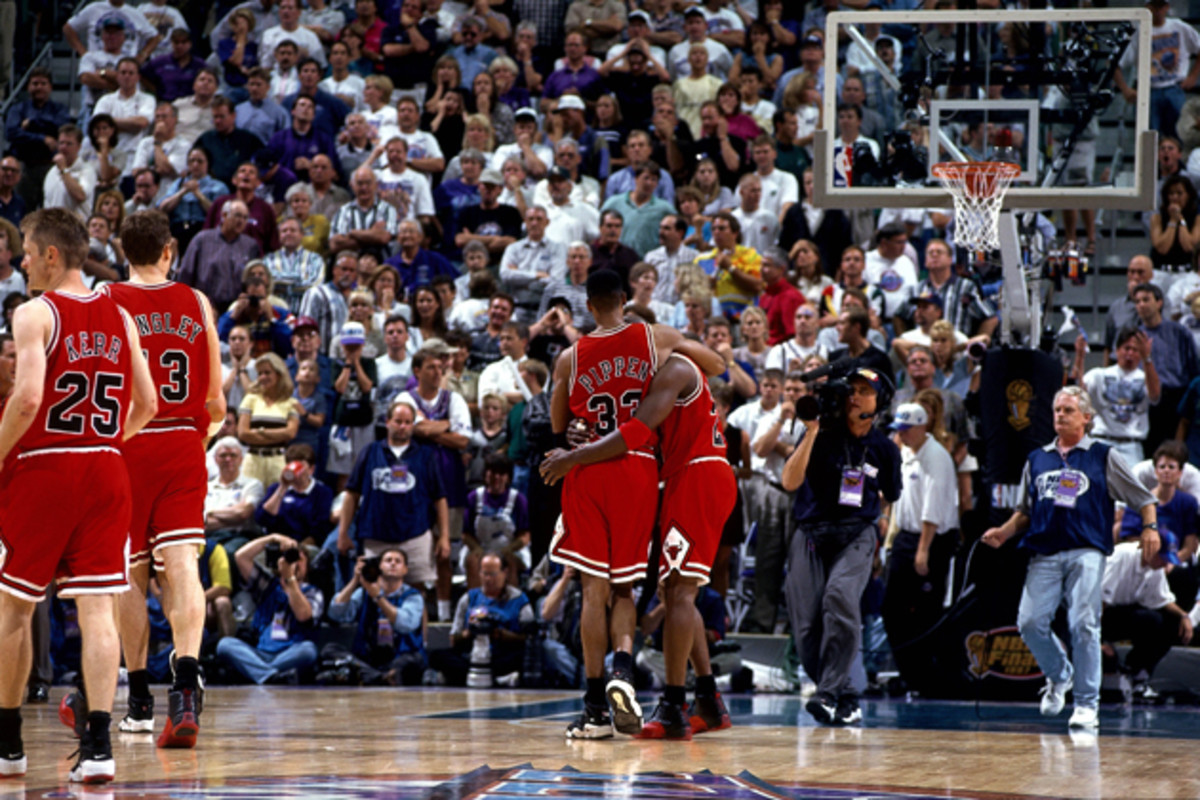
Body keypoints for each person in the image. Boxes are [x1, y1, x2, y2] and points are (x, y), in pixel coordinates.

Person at [0, 208, 156, 782]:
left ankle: (8, 742)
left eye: (27, 251)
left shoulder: (35, 312)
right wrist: (106, 442)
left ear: (50, 255)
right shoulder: (120, 315)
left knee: (15, 605)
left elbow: (27, 399)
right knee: (97, 612)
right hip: (107, 467)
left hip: (46, 467)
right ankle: (97, 748)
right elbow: (148, 406)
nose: (19, 261)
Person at [543, 269, 724, 738]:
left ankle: (595, 704)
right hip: (641, 469)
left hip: (588, 469)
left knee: (593, 590)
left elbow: (560, 423)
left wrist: (576, 443)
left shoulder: (569, 357)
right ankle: (625, 668)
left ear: (587, 305)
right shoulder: (657, 339)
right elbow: (717, 365)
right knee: (630, 590)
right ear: (625, 297)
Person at [103, 210, 224, 749]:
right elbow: (216, 403)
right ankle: (187, 685)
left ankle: (137, 700)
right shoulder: (198, 303)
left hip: (128, 442)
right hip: (182, 443)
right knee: (182, 569)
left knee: (128, 574)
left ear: (124, 251)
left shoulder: (108, 300)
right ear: (170, 251)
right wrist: (195, 442)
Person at [982, 386, 1160, 731]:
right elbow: (1024, 511)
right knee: (1030, 623)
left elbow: (1143, 497)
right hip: (1043, 551)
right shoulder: (1038, 459)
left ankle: (1086, 704)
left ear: (1086, 418)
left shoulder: (1102, 456)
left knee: (1083, 624)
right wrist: (1004, 532)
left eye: (1068, 410)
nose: (1060, 415)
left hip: (1087, 550)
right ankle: (1059, 674)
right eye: (1057, 410)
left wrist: (1150, 527)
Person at [781, 366, 901, 726]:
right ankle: (844, 696)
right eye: (852, 389)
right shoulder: (822, 433)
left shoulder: (883, 449)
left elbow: (890, 496)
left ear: (879, 402)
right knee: (804, 627)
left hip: (856, 533)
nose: (855, 395)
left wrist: (878, 534)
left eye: (865, 390)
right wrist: (812, 431)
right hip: (812, 531)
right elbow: (789, 481)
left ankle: (828, 694)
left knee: (839, 597)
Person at [882, 402, 959, 686]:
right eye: (898, 430)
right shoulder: (904, 452)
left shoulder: (936, 457)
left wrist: (923, 549)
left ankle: (929, 677)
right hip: (905, 535)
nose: (901, 435)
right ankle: (910, 672)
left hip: (932, 539)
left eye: (905, 430)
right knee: (892, 608)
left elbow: (933, 505)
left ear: (921, 427)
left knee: (927, 611)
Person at [337, 399, 447, 595]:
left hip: (416, 534)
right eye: (398, 421)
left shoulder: (426, 455)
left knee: (416, 592)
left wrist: (444, 536)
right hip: (376, 535)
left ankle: (418, 627)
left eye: (407, 422)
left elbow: (440, 498)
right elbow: (352, 494)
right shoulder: (370, 452)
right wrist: (343, 532)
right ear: (387, 422)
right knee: (374, 591)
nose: (402, 426)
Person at [217, 533, 324, 684]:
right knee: (225, 644)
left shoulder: (313, 592)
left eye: (299, 560)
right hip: (260, 652)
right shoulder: (269, 587)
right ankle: (271, 676)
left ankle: (260, 673)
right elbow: (241, 557)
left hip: (290, 653)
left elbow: (303, 615)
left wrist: (290, 579)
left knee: (308, 650)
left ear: (307, 566)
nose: (294, 564)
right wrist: (273, 538)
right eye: (289, 559)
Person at [326, 549, 427, 685]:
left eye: (398, 561)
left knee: (412, 663)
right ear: (379, 567)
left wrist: (378, 597)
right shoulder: (363, 592)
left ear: (405, 570)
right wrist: (355, 581)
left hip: (401, 655)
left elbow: (405, 624)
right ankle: (381, 677)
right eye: (388, 560)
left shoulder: (412, 596)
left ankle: (369, 676)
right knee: (330, 650)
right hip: (369, 656)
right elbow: (336, 613)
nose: (393, 564)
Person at [1081, 326, 1159, 465]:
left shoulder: (1146, 377)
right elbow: (1078, 395)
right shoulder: (1099, 375)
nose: (1130, 353)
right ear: (1116, 350)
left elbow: (1155, 396)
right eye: (1126, 348)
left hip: (1131, 444)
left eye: (1135, 350)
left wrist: (1147, 358)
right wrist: (1079, 358)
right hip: (1101, 439)